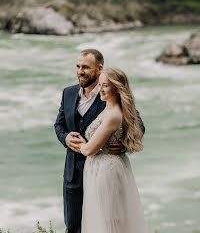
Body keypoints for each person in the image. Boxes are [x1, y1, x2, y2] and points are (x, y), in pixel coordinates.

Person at [54, 49, 144, 233]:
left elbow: (138, 125)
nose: (80, 71)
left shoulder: (109, 94)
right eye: (78, 67)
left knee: (106, 222)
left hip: (103, 174)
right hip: (73, 173)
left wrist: (124, 145)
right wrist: (65, 138)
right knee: (73, 227)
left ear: (99, 69)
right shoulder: (68, 93)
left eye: (86, 67)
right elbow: (59, 125)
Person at [75, 68, 147, 233]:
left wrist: (79, 144)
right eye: (100, 85)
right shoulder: (107, 108)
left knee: (109, 219)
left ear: (117, 88)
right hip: (99, 168)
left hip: (106, 170)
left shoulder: (113, 114)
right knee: (105, 217)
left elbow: (90, 150)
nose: (100, 90)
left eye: (105, 86)